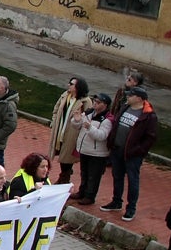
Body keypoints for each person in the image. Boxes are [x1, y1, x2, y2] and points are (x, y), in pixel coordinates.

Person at [102, 86, 158, 222]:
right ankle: (116, 202)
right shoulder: (125, 107)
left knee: (133, 180)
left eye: (131, 95)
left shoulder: (148, 116)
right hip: (117, 150)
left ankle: (131, 208)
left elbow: (150, 138)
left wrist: (138, 151)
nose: (128, 97)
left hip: (132, 155)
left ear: (139, 98)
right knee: (117, 176)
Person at [49, 77, 91, 184]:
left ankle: (64, 177)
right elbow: (56, 109)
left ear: (78, 87)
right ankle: (65, 175)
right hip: (60, 130)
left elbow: (88, 118)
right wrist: (54, 122)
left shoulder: (85, 102)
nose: (68, 85)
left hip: (72, 133)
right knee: (62, 152)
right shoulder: (65, 96)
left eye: (71, 84)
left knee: (67, 156)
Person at [72, 92, 112, 205]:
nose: (95, 103)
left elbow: (102, 136)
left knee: (93, 176)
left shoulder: (107, 120)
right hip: (85, 149)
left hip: (97, 153)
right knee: (84, 173)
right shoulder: (89, 112)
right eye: (94, 101)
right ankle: (82, 192)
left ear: (105, 105)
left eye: (98, 102)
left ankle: (90, 196)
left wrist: (90, 128)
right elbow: (77, 126)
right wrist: (76, 120)